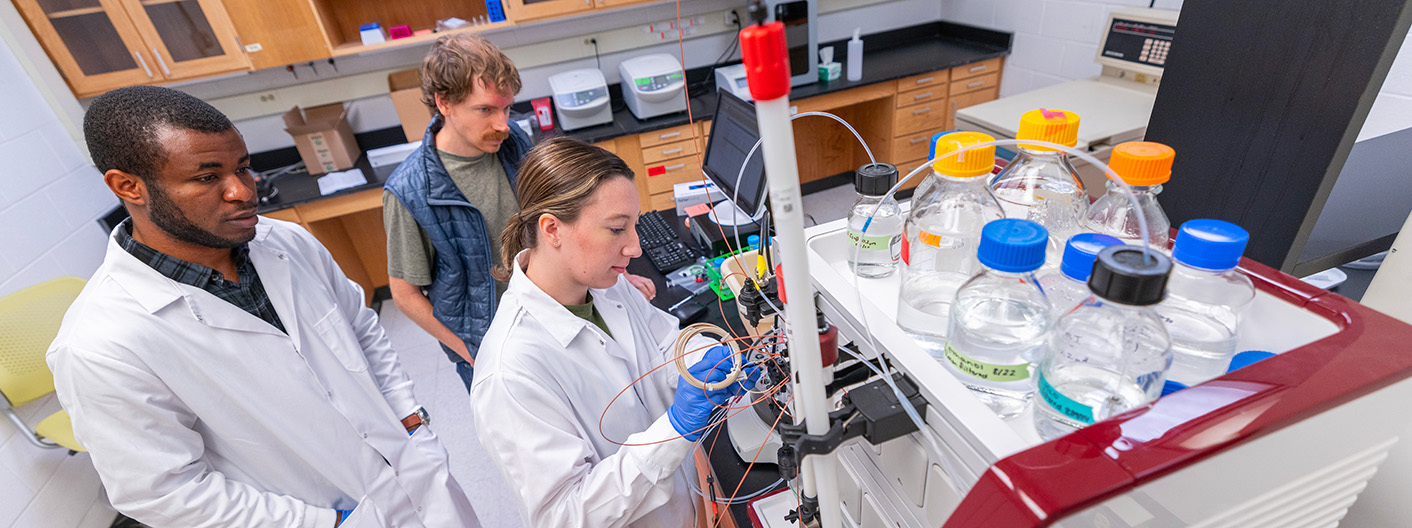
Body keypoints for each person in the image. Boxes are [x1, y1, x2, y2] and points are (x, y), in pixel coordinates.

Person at [48, 86, 479, 527]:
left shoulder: (284, 242)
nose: (242, 191)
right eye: (206, 177)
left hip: (419, 481)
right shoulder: (100, 345)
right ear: (128, 186)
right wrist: (330, 523)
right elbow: (166, 494)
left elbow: (360, 328)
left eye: (244, 168)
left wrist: (411, 422)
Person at [470, 137, 755, 527]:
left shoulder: (606, 284)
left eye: (634, 226)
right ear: (552, 229)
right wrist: (674, 430)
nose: (635, 248)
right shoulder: (510, 373)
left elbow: (662, 342)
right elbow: (566, 515)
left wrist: (705, 360)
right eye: (617, 229)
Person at [383, 34, 657, 394]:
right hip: (489, 341)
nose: (503, 123)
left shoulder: (515, 146)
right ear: (444, 103)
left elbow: (568, 226)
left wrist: (615, 280)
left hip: (556, 315)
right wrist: (468, 350)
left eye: (507, 108)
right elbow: (404, 294)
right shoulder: (409, 191)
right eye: (485, 110)